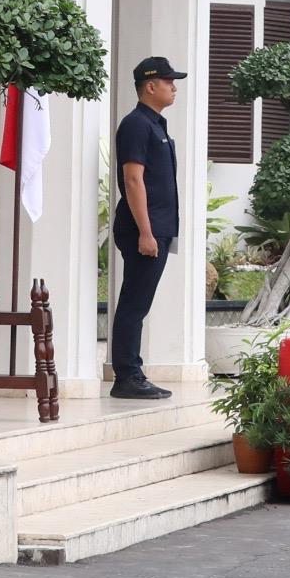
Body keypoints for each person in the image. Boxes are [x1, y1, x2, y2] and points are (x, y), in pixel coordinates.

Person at [109, 56, 186, 400]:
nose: (174, 87)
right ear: (150, 86)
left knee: (138, 303)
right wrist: (145, 231)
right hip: (145, 229)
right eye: (169, 81)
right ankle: (127, 376)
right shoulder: (137, 124)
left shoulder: (155, 124)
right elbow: (133, 179)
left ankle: (131, 372)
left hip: (157, 228)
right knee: (134, 304)